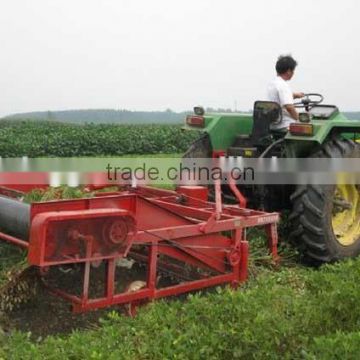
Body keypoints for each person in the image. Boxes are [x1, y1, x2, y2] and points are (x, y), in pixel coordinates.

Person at [267, 55, 304, 131]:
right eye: (293, 71)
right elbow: (289, 107)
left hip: (273, 124)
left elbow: (278, 98)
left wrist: (295, 95)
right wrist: (299, 120)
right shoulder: (283, 85)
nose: (293, 73)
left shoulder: (272, 84)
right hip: (285, 124)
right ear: (289, 71)